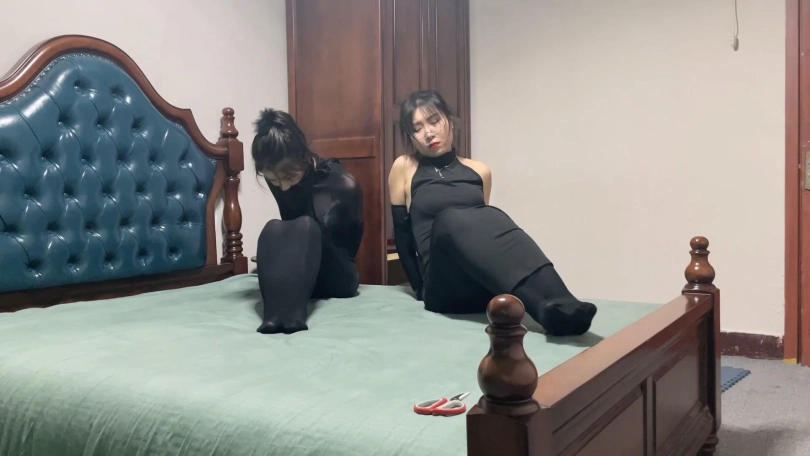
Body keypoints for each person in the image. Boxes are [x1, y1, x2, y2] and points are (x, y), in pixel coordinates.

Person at [387, 90, 597, 337]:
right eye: (418, 128)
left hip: (478, 286)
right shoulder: (405, 167)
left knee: (494, 216)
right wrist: (419, 289)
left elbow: (480, 236)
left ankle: (558, 308)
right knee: (450, 219)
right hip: (441, 289)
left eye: (434, 121)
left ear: (450, 121)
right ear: (411, 136)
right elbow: (402, 236)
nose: (429, 133)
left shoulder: (479, 171)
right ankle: (552, 308)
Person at [251, 108, 364, 335]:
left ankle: (292, 318)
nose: (283, 187)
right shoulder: (280, 177)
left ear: (303, 156)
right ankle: (273, 318)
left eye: (288, 177)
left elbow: (350, 247)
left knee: (305, 225)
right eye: (273, 180)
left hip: (337, 277)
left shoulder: (341, 183)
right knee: (272, 227)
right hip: (298, 269)